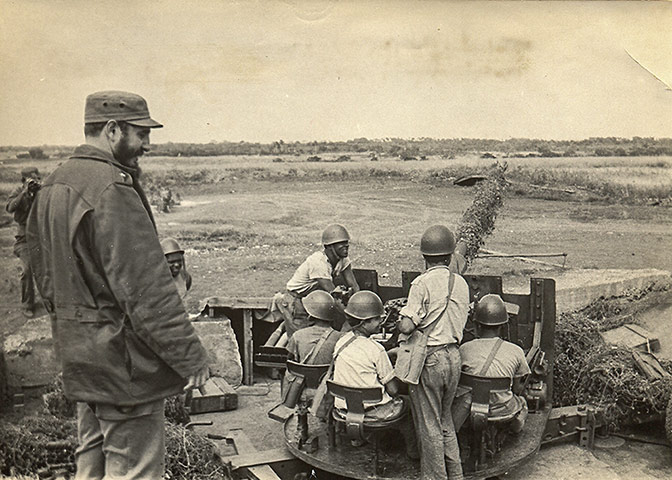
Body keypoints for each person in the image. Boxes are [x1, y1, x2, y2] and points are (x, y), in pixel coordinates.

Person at [26, 91, 210, 480]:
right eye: (141, 133)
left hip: (82, 363)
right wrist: (190, 356)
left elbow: (44, 278)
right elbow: (147, 291)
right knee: (135, 471)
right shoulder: (111, 189)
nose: (147, 144)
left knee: (91, 463)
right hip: (123, 371)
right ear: (112, 130)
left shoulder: (53, 184)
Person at [397, 225, 470, 480]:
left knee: (429, 426)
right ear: (450, 256)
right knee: (445, 420)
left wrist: (399, 318)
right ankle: (456, 475)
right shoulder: (460, 283)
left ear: (424, 257)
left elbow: (407, 326)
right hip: (454, 357)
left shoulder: (421, 283)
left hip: (430, 359)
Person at [452, 294, 530, 434]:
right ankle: (515, 428)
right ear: (502, 326)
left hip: (470, 408)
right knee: (522, 401)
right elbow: (518, 388)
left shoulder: (464, 349)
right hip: (502, 409)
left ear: (477, 325)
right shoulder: (516, 351)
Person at [276, 224, 360, 337]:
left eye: (346, 242)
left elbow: (354, 286)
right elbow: (334, 296)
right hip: (296, 301)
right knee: (302, 339)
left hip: (312, 299)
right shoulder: (318, 263)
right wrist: (352, 316)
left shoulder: (343, 259)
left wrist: (361, 307)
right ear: (330, 246)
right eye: (342, 243)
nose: (346, 246)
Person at [5, 166, 41, 317]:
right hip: (24, 238)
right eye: (32, 178)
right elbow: (9, 208)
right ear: (24, 180)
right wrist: (25, 193)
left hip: (41, 236)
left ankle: (51, 299)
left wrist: (40, 190)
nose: (35, 180)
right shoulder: (18, 191)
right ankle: (27, 304)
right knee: (26, 271)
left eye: (37, 177)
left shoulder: (42, 191)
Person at [286, 290, 342, 365]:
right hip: (327, 376)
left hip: (302, 375)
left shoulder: (298, 335)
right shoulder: (340, 337)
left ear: (310, 316)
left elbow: (290, 361)